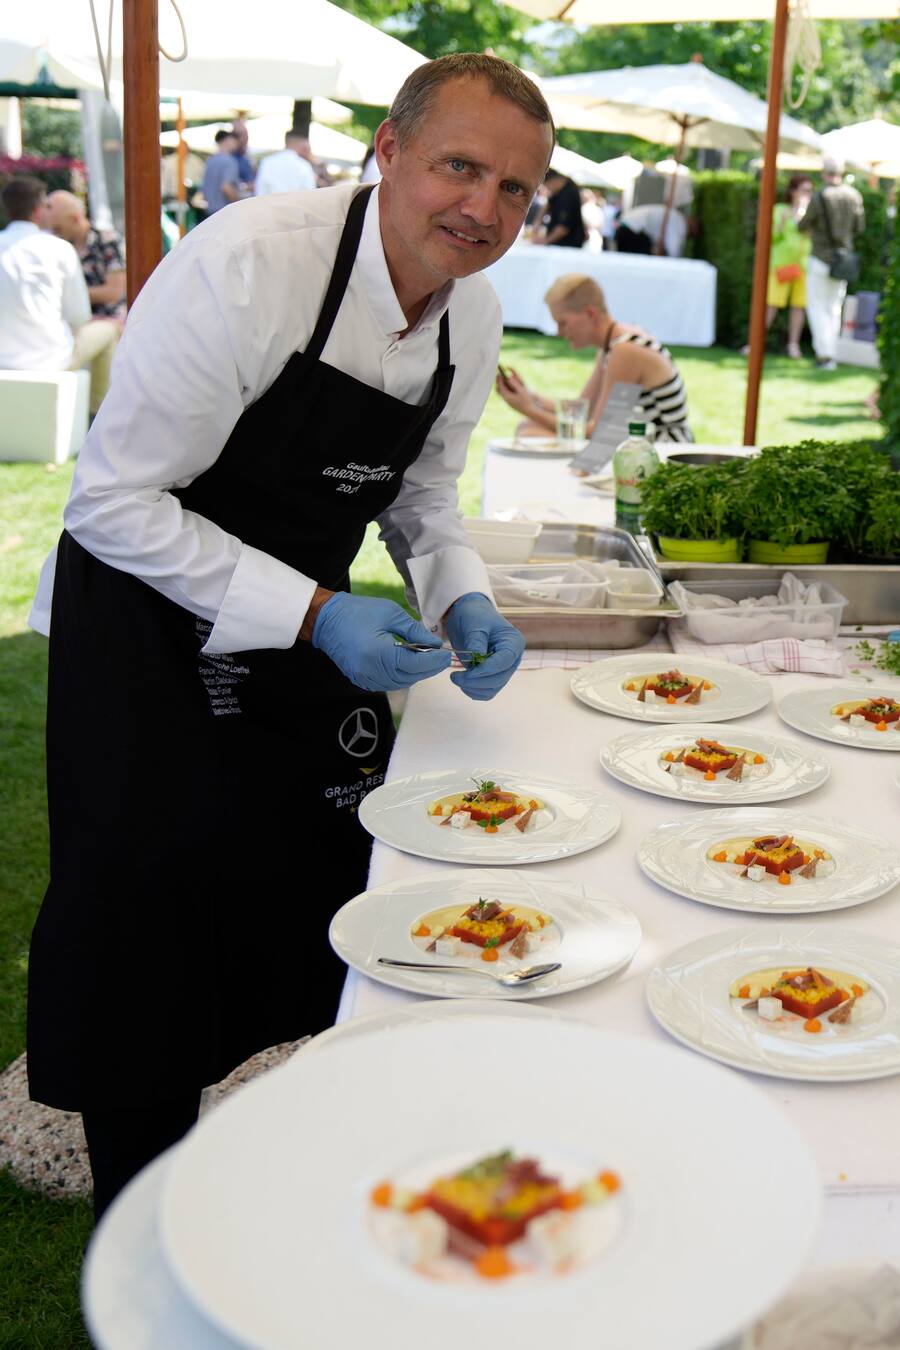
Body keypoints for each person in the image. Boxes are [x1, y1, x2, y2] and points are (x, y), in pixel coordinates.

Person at [26, 52, 553, 1221]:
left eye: (518, 189)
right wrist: (317, 612)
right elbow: (111, 503)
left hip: (305, 640)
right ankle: (144, 1223)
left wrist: (459, 589)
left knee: (306, 889)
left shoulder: (471, 310)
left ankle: (288, 1178)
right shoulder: (254, 265)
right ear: (391, 153)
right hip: (144, 631)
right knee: (149, 927)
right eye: (460, 168)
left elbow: (420, 496)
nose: (484, 209)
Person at [495, 272, 694, 443]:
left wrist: (528, 409)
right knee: (529, 428)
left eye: (563, 323)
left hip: (665, 447)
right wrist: (529, 396)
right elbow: (582, 409)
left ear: (590, 313)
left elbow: (597, 434)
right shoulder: (614, 344)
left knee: (531, 432)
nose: (559, 332)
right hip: (645, 442)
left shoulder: (626, 351)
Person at [0, 177, 118, 416]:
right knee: (110, 330)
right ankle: (95, 415)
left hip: (3, 357)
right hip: (51, 359)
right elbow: (79, 316)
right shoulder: (59, 249)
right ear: (38, 209)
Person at [798, 155, 865, 371]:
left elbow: (803, 225)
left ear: (823, 173)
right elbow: (859, 228)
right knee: (834, 308)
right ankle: (832, 353)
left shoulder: (820, 197)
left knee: (817, 307)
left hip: (820, 257)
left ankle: (824, 354)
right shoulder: (854, 196)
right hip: (843, 258)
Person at [740, 175, 812, 359]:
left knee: (799, 306)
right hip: (781, 265)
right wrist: (785, 220)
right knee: (771, 305)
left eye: (809, 191)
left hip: (802, 265)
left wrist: (803, 214)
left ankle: (793, 346)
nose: (806, 194)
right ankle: (754, 344)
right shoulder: (779, 210)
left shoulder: (810, 213)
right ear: (793, 191)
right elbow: (771, 237)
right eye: (804, 190)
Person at [45, 189, 127, 322]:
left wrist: (69, 294)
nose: (55, 233)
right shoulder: (57, 247)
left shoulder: (107, 241)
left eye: (58, 228)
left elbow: (114, 292)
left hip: (109, 320)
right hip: (69, 321)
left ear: (76, 219)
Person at [254, 129, 318, 196]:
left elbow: (260, 190)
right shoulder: (304, 165)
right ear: (302, 144)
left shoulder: (267, 162)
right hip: (295, 205)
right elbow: (309, 193)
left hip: (269, 204)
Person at [533, 170, 585, 248]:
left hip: (568, 244)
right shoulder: (559, 190)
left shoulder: (569, 195)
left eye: (547, 186)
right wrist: (537, 222)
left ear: (554, 181)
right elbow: (547, 205)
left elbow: (563, 228)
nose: (548, 189)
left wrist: (545, 241)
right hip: (557, 243)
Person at [200, 129, 247, 214]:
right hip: (224, 212)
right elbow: (226, 187)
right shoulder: (230, 161)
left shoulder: (210, 161)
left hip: (209, 211)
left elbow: (203, 190)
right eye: (234, 140)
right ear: (227, 141)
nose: (237, 144)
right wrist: (239, 205)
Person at [615, 202, 687, 257]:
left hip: (625, 228)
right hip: (633, 230)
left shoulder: (673, 215)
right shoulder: (679, 221)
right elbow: (674, 248)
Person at [230, 118, 256, 192]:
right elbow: (230, 186)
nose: (246, 138)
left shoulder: (246, 156)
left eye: (246, 134)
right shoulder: (230, 159)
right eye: (241, 135)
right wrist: (247, 186)